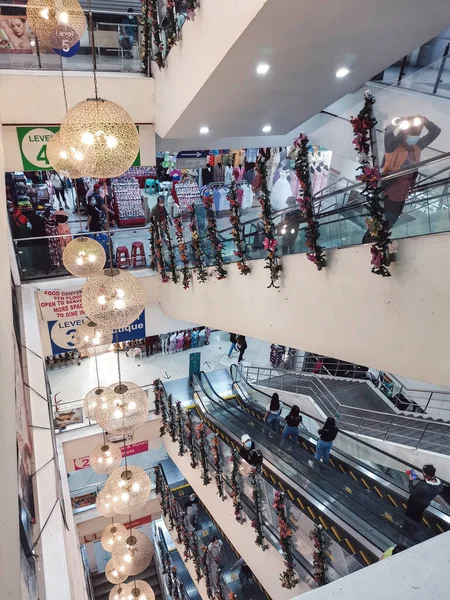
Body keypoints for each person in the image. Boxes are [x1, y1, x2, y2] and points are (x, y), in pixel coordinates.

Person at [363, 114, 441, 243]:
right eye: (410, 136)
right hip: (387, 194)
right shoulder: (392, 147)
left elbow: (435, 131)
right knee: (377, 225)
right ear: (403, 134)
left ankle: (379, 245)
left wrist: (425, 121)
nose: (413, 139)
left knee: (389, 223)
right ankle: (367, 244)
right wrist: (399, 122)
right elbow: (388, 131)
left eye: (415, 137)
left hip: (401, 196)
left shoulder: (418, 146)